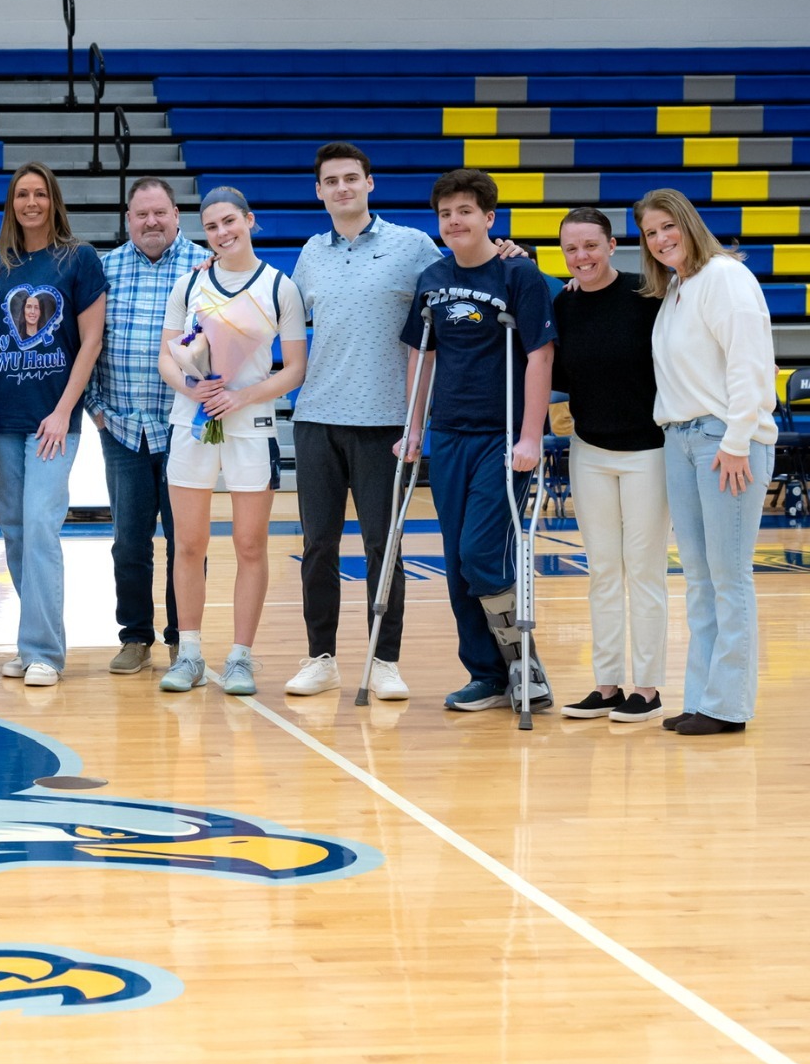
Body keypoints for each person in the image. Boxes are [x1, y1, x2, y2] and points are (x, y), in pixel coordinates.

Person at [284, 143, 444, 700]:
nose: (343, 188)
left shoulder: (413, 245)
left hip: (387, 422)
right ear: (320, 191)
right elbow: (272, 315)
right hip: (316, 418)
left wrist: (508, 255)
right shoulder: (309, 253)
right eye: (332, 181)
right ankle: (320, 657)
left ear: (370, 183)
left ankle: (384, 659)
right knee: (318, 546)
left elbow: (459, 283)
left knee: (385, 544)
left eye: (352, 178)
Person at [398, 169, 556, 714]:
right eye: (445, 213)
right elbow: (421, 355)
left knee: (481, 552)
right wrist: (414, 428)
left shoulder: (520, 275)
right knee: (455, 558)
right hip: (448, 434)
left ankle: (523, 660)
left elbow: (539, 355)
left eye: (465, 211)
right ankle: (485, 674)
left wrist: (532, 435)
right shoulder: (432, 279)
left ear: (489, 218)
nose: (454, 221)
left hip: (502, 436)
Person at [155, 187, 307, 696]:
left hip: (251, 426)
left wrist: (240, 399)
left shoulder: (280, 287)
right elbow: (167, 358)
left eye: (229, 222)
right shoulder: (188, 285)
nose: (222, 233)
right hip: (192, 424)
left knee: (249, 544)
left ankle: (241, 656)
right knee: (189, 543)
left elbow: (295, 370)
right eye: (212, 226)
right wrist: (193, 386)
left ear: (250, 219)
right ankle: (191, 653)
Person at [637, 188, 777, 737]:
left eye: (668, 226)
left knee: (728, 577)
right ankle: (702, 698)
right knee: (698, 578)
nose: (661, 238)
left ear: (688, 223)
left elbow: (750, 363)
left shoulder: (724, 276)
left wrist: (739, 439)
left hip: (725, 439)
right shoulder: (676, 287)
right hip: (681, 437)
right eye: (651, 233)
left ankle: (729, 705)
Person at [0, 163, 106, 686]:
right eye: (21, 195)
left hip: (53, 420)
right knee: (13, 531)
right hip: (2, 420)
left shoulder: (78, 258)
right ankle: (30, 639)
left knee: (39, 525)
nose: (30, 203)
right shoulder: (0, 266)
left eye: (39, 194)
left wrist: (63, 410)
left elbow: (91, 342)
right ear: (11, 203)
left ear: (53, 200)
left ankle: (44, 651)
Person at [549, 207, 669, 723]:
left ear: (612, 245)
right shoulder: (564, 304)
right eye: (571, 249)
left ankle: (647, 688)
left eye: (590, 246)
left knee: (643, 571)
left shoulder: (649, 295)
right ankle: (607, 684)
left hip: (649, 453)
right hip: (589, 452)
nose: (582, 257)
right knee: (602, 570)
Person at [84, 178, 207, 673]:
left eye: (160, 213)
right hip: (121, 427)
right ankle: (135, 636)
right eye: (141, 215)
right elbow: (85, 342)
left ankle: (184, 638)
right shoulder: (105, 269)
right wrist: (95, 408)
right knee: (129, 542)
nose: (151, 222)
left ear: (176, 215)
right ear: (128, 220)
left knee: (187, 540)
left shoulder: (204, 268)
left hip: (184, 428)